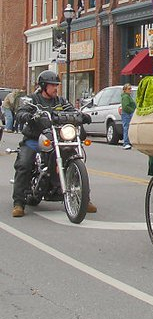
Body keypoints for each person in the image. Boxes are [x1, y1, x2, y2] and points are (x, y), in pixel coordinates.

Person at [12, 70, 96, 218]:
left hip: (57, 138)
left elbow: (72, 110)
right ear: (44, 86)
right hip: (35, 139)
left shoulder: (61, 102)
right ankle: (18, 203)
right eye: (52, 85)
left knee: (75, 156)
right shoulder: (33, 100)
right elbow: (21, 112)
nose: (56, 88)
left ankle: (84, 199)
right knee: (24, 164)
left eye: (57, 85)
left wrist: (82, 116)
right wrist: (27, 115)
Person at [120, 84, 136, 150]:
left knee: (128, 128)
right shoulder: (126, 97)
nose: (130, 90)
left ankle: (128, 142)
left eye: (130, 89)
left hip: (128, 113)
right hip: (127, 114)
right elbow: (125, 106)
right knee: (126, 128)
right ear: (125, 90)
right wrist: (132, 111)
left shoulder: (128, 96)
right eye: (129, 89)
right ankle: (126, 143)